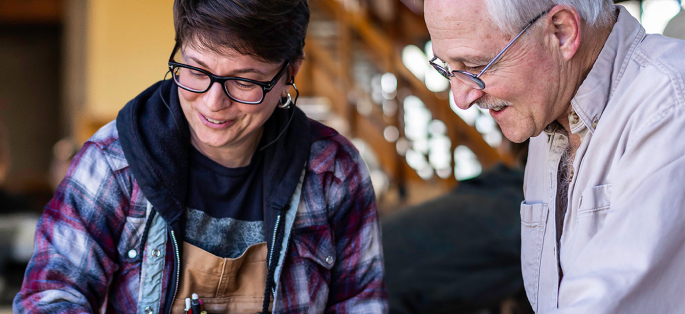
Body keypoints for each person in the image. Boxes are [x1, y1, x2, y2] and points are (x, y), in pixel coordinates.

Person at [14, 0, 387, 313]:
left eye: (244, 81)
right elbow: (50, 296)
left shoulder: (334, 172)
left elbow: (361, 303)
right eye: (195, 70)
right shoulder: (113, 162)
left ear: (290, 73)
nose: (213, 103)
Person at [424, 0, 685, 312]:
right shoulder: (547, 104)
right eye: (447, 68)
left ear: (561, 32)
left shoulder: (669, 104)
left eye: (477, 66)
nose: (460, 98)